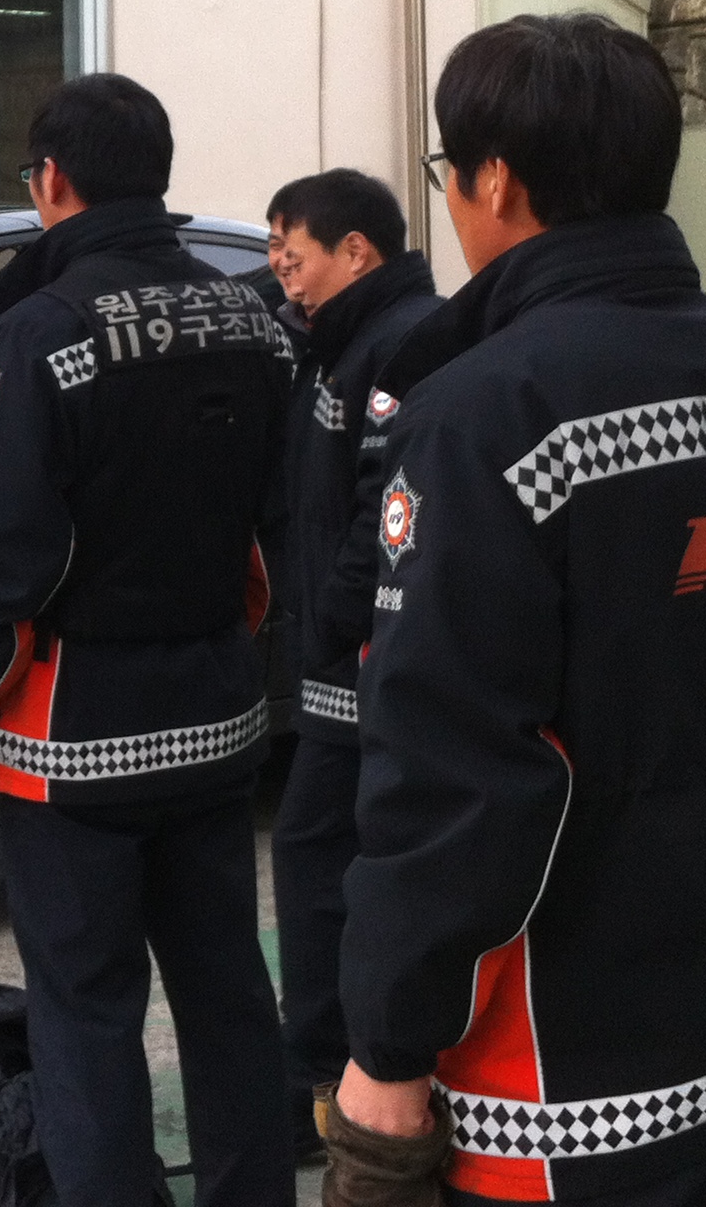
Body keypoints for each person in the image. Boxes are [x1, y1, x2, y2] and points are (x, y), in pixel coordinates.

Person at [325, 15, 706, 1206]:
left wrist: (391, 1046)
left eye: (450, 172)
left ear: (497, 180)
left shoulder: (480, 420)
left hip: (551, 1101)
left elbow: (449, 774)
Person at [0, 74, 296, 1207]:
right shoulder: (255, 320)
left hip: (75, 741)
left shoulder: (46, 333)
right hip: (219, 719)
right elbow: (282, 529)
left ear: (52, 181)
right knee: (228, 992)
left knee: (84, 1012)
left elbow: (4, 560)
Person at [259, 171, 440, 1164]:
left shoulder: (405, 341)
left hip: (367, 662)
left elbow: (386, 510)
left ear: (358, 251)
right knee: (325, 860)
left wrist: (326, 623)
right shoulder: (330, 340)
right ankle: (330, 1071)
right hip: (338, 661)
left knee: (321, 861)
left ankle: (324, 1081)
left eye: (294, 253)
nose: (280, 270)